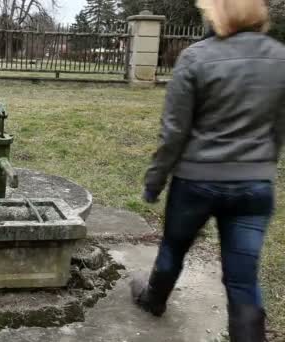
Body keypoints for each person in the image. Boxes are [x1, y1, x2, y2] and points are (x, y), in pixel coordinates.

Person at [130, 0, 285, 341]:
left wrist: (154, 183)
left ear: (217, 12)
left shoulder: (196, 57)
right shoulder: (279, 57)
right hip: (253, 187)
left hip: (196, 183)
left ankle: (153, 299)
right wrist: (260, 166)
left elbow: (173, 132)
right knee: (243, 280)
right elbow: (278, 128)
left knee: (173, 249)